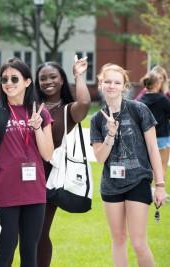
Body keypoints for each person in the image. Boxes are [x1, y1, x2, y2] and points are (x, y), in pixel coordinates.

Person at [90, 63, 167, 267]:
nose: (112, 86)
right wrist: (111, 134)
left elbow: (153, 150)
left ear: (124, 86)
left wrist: (160, 185)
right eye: (108, 81)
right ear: (100, 84)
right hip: (111, 186)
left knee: (139, 242)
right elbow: (99, 158)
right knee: (118, 240)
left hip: (138, 181)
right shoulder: (97, 119)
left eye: (117, 82)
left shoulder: (139, 109)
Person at [0, 58, 53, 266]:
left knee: (30, 251)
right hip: (5, 194)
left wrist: (37, 128)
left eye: (15, 78)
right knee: (5, 250)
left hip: (35, 193)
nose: (9, 83)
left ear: (28, 82)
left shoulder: (41, 113)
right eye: (4, 79)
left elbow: (48, 154)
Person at [34, 56, 90, 266]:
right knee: (24, 233)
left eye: (53, 77)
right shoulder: (32, 106)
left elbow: (84, 102)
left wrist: (79, 75)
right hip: (25, 175)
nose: (48, 81)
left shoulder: (68, 110)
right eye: (43, 78)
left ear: (62, 80)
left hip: (50, 178)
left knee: (40, 231)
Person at [138, 70, 170, 191]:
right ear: (157, 84)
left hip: (146, 138)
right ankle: (159, 190)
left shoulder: (140, 100)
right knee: (162, 165)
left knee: (150, 165)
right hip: (162, 136)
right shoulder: (163, 99)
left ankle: (149, 190)